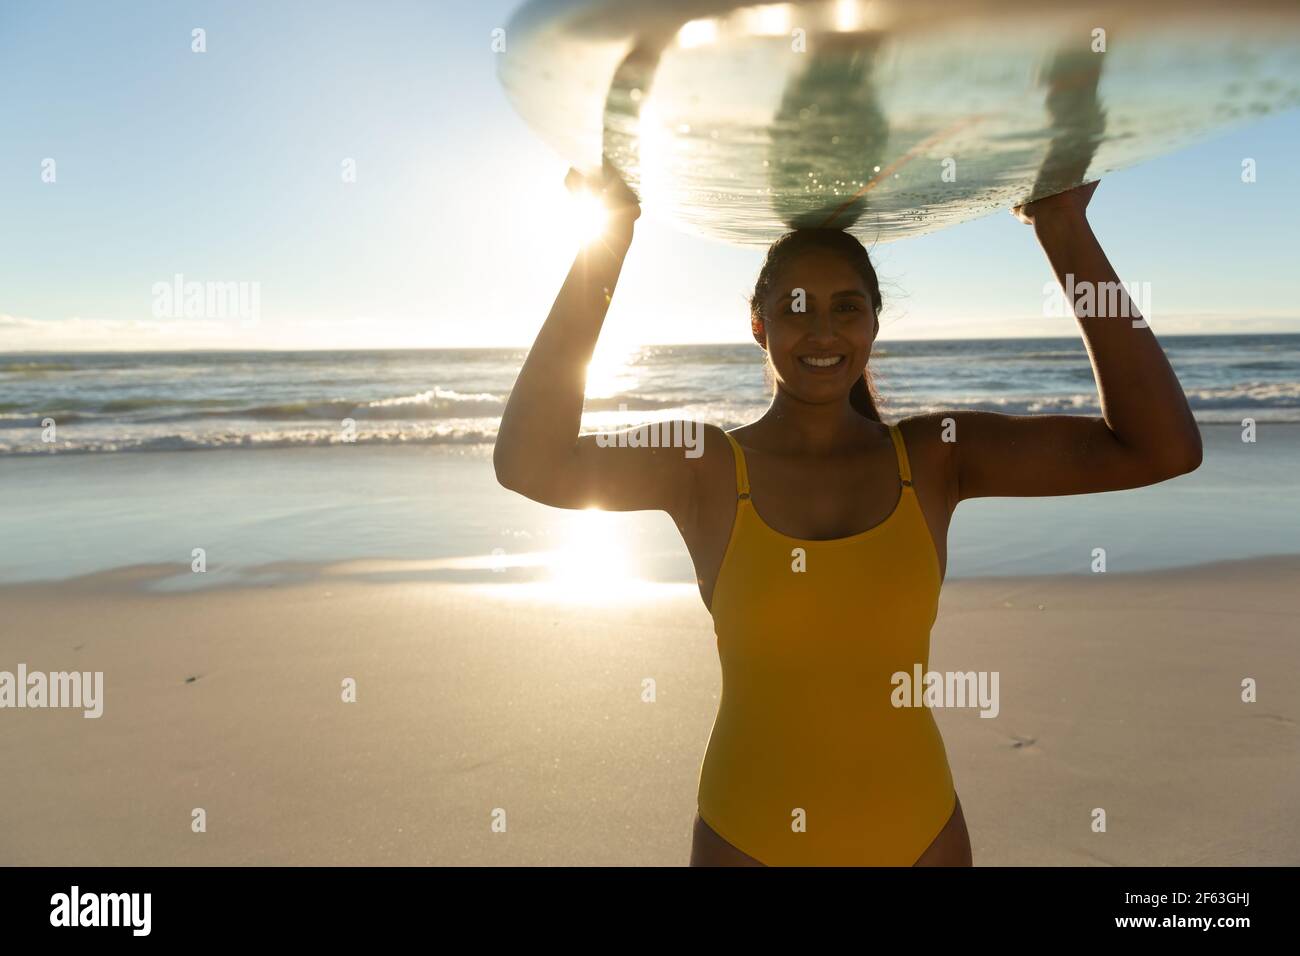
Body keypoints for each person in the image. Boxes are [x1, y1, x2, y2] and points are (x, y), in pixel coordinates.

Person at [493, 167, 1202, 866]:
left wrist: (1062, 227)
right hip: (750, 838)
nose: (822, 331)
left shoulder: (934, 458)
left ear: (873, 320)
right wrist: (608, 239)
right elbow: (529, 461)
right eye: (795, 308)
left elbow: (1161, 447)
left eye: (846, 307)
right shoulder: (702, 469)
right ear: (758, 325)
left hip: (918, 834)